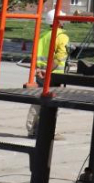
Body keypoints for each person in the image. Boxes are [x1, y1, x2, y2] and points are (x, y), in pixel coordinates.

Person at [26, 9, 69, 138]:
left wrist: (38, 70)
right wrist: (48, 71)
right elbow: (60, 56)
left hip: (40, 73)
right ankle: (50, 131)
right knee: (53, 103)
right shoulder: (61, 36)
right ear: (59, 22)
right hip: (53, 75)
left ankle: (31, 129)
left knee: (38, 101)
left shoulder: (42, 35)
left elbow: (34, 54)